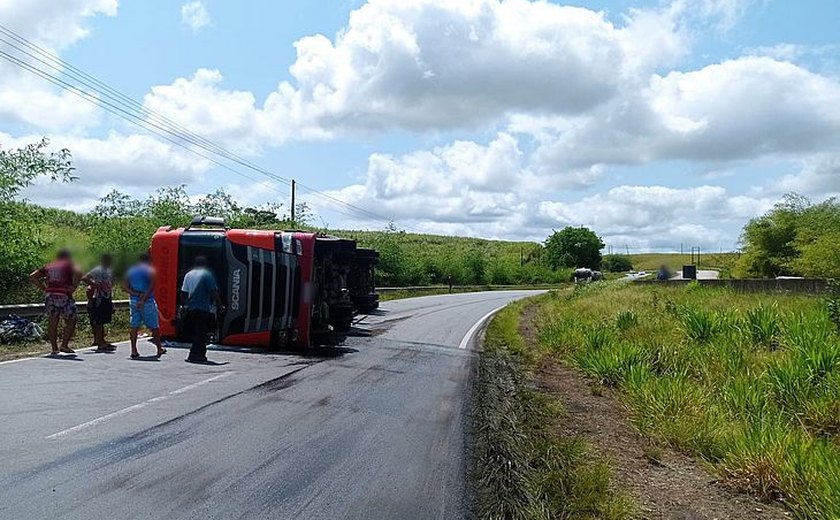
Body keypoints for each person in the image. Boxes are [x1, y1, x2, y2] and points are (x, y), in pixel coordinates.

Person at [29, 249, 82, 355]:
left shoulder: (49, 266)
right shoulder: (70, 265)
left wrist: (44, 288)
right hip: (64, 295)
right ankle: (64, 345)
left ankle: (54, 348)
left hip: (50, 296)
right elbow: (79, 271)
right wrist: (74, 286)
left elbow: (32, 277)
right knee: (71, 320)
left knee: (53, 321)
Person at [180, 256, 224, 363]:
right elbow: (213, 292)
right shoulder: (207, 275)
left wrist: (184, 306)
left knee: (198, 331)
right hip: (202, 308)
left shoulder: (188, 275)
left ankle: (201, 354)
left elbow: (183, 293)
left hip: (191, 308)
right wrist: (220, 305)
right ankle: (194, 354)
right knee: (201, 332)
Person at [123, 253, 166, 358]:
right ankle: (159, 348)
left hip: (133, 300)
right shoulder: (150, 270)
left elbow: (125, 287)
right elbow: (151, 287)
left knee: (134, 325)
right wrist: (143, 299)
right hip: (147, 301)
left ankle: (133, 350)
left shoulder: (130, 271)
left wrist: (136, 295)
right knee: (154, 326)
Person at [82, 254, 116, 352]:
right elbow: (84, 278)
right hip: (98, 298)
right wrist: (94, 284)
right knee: (98, 321)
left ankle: (102, 340)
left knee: (103, 320)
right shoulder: (97, 270)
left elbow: (113, 282)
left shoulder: (110, 270)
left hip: (107, 297)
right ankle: (100, 342)